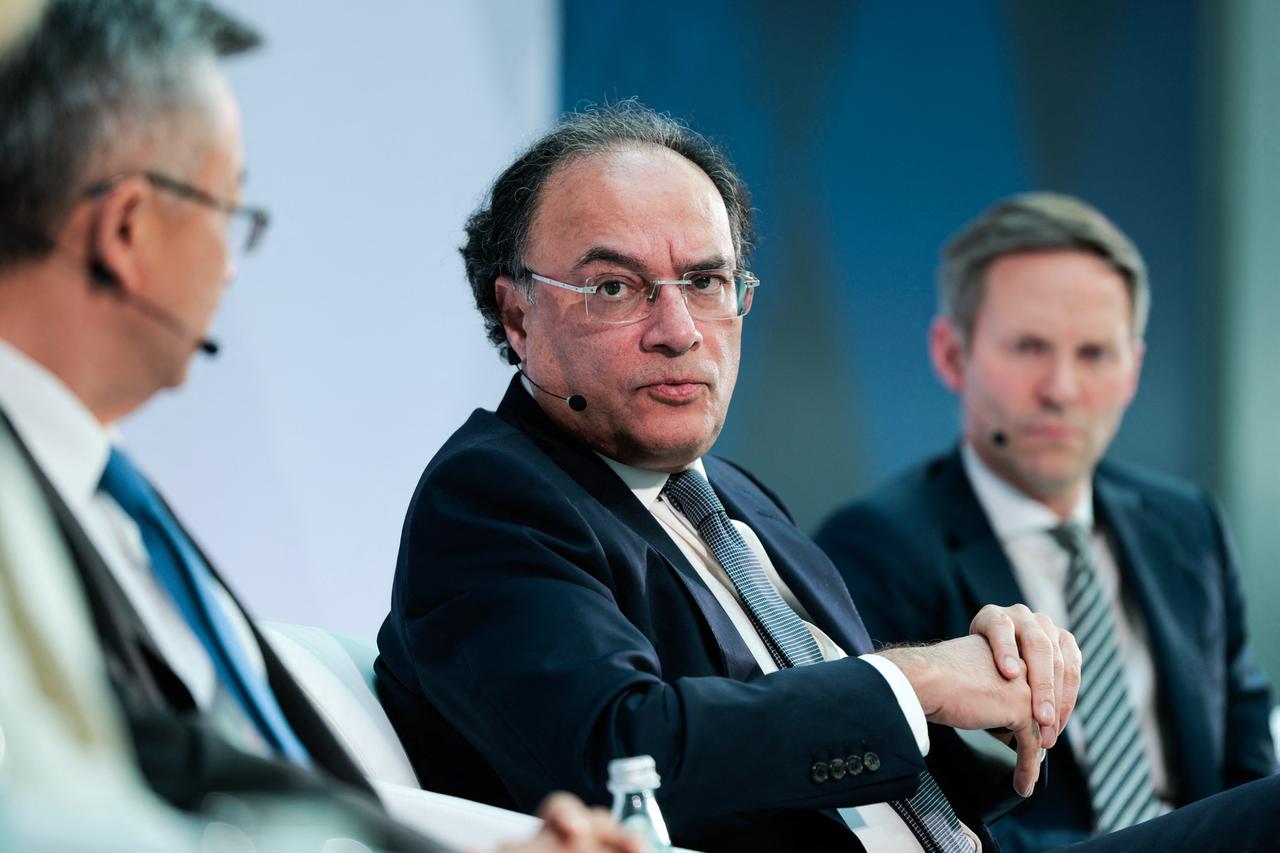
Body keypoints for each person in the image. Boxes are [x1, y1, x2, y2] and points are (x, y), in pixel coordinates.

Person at [0, 2, 643, 851]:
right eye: (228, 210)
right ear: (126, 231)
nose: (233, 262)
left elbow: (233, 780)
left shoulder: (109, 506)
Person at [375, 103, 1100, 853]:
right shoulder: (490, 499)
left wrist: (997, 690)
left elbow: (841, 759)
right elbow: (622, 760)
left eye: (705, 281)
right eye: (616, 288)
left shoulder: (738, 500)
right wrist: (912, 682)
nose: (680, 331)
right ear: (518, 313)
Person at [815, 192, 1277, 851]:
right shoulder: (874, 545)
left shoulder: (1187, 524)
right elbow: (914, 821)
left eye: (1094, 353)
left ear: (1133, 371)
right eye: (1030, 347)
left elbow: (1247, 767)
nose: (1061, 387)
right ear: (951, 355)